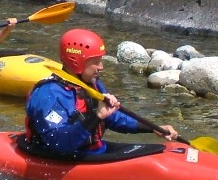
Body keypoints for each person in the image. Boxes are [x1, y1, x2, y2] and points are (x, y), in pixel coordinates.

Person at [24, 28, 178, 156]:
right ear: (76, 62)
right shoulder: (48, 94)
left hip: (91, 151)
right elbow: (59, 143)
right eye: (96, 62)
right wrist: (97, 116)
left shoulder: (93, 85)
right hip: (60, 157)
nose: (101, 67)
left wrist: (152, 128)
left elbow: (113, 118)